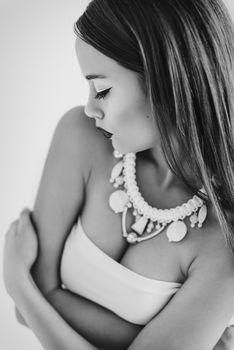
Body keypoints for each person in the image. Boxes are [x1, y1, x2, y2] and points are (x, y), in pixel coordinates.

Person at [3, 0, 234, 349]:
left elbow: (34, 297)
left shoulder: (225, 240)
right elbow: (25, 311)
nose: (89, 108)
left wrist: (18, 281)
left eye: (103, 90)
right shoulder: (80, 136)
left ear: (168, 82)